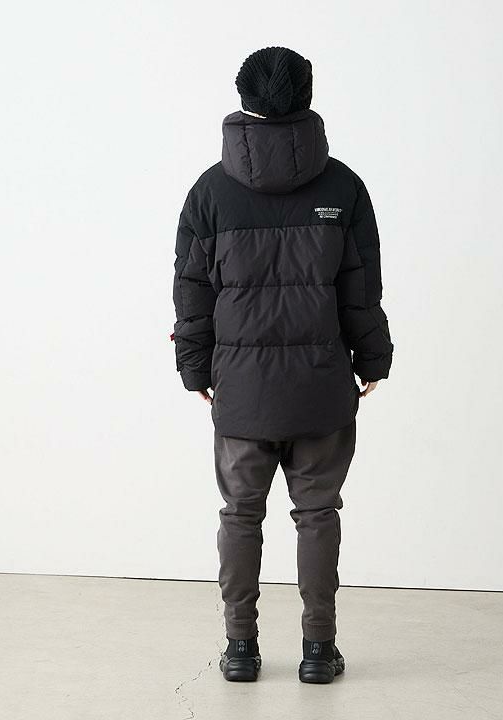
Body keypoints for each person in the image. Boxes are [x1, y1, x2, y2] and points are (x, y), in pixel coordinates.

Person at [171, 46, 393, 684]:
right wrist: (373, 358)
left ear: (243, 98)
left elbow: (191, 292)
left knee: (240, 514)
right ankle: (319, 652)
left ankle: (240, 650)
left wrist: (195, 369)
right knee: (318, 515)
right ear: (307, 96)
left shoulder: (208, 192)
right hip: (321, 388)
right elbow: (360, 290)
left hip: (241, 391)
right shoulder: (344, 187)